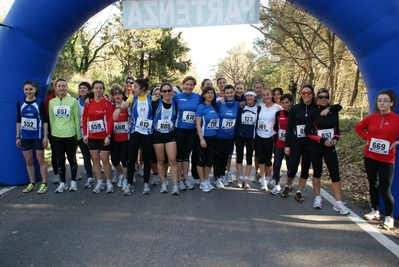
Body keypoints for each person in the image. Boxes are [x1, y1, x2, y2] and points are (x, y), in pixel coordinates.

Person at [282, 85, 342, 202]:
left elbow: (338, 107)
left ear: (313, 94)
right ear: (300, 94)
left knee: (305, 168)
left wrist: (329, 109)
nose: (306, 96)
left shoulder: (317, 107)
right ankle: (287, 185)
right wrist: (287, 145)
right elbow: (289, 127)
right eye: (304, 93)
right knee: (292, 167)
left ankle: (299, 191)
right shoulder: (296, 108)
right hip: (296, 142)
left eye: (309, 93)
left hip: (310, 143)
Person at [355, 89, 399, 229]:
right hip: (370, 156)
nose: (382, 103)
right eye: (379, 100)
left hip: (387, 159)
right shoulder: (371, 118)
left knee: (385, 189)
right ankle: (375, 210)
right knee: (373, 185)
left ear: (391, 103)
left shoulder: (396, 119)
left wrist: (397, 142)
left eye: (385, 100)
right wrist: (368, 138)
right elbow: (358, 128)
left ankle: (389, 217)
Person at [305, 88, 349, 215]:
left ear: (328, 98)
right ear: (317, 98)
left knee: (335, 173)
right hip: (316, 146)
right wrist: (321, 140)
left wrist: (336, 138)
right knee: (317, 172)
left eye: (326, 97)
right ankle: (318, 198)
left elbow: (337, 130)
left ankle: (338, 203)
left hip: (330, 147)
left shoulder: (333, 111)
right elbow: (308, 132)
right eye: (321, 97)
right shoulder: (313, 112)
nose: (323, 99)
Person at [114, 78, 153, 195]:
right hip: (135, 132)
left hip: (147, 133)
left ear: (143, 89)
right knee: (131, 159)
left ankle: (146, 183)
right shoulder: (133, 98)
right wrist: (119, 108)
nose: (133, 89)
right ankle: (129, 183)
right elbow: (126, 103)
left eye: (136, 87)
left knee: (146, 159)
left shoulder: (151, 99)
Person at [48, 78, 81, 193]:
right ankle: (63, 183)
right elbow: (52, 119)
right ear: (55, 88)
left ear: (67, 88)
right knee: (59, 160)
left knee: (72, 159)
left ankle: (73, 181)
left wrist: (78, 135)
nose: (61, 88)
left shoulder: (73, 101)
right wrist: (53, 133)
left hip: (70, 135)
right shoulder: (52, 102)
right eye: (59, 86)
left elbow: (77, 119)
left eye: (64, 86)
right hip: (57, 135)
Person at [16, 80, 49, 194]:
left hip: (38, 136)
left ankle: (44, 184)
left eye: (30, 89)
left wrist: (45, 136)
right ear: (23, 90)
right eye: (26, 89)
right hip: (25, 136)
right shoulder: (20, 103)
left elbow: (45, 120)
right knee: (28, 161)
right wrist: (17, 136)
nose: (28, 91)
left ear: (35, 89)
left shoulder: (40, 103)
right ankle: (32, 183)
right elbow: (18, 120)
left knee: (40, 160)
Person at [82, 80, 114, 194]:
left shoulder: (107, 103)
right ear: (93, 89)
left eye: (100, 88)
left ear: (103, 90)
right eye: (96, 88)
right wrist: (85, 134)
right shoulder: (88, 103)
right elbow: (85, 119)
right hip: (92, 137)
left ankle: (109, 182)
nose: (98, 90)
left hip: (104, 137)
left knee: (105, 160)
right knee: (95, 160)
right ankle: (99, 182)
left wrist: (108, 135)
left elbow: (110, 120)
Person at [173, 76, 201, 191]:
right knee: (179, 156)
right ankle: (179, 180)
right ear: (183, 85)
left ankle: (185, 178)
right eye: (187, 84)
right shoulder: (177, 97)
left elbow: (210, 101)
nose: (189, 87)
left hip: (192, 130)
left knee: (186, 156)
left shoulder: (198, 97)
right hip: (180, 129)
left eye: (191, 85)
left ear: (194, 86)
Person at [152, 82, 180, 195]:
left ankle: (175, 185)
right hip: (158, 135)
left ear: (172, 92)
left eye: (169, 90)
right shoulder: (155, 103)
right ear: (161, 93)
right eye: (164, 91)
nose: (167, 93)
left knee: (172, 160)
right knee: (160, 160)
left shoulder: (175, 104)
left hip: (170, 134)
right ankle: (163, 183)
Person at [256, 88, 283, 191]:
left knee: (268, 160)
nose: (266, 97)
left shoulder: (278, 108)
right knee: (261, 159)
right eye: (264, 95)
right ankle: (263, 180)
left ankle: (268, 176)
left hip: (270, 137)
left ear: (271, 95)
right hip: (259, 135)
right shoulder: (260, 107)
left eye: (268, 95)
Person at [213, 84, 239, 188]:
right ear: (224, 93)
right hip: (219, 135)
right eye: (227, 93)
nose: (229, 95)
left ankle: (222, 175)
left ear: (234, 93)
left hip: (230, 136)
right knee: (218, 156)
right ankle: (217, 177)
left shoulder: (237, 105)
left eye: (231, 92)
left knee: (225, 157)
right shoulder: (219, 103)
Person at [195, 86, 219, 192]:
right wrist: (201, 139)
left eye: (212, 93)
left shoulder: (215, 106)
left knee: (210, 161)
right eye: (208, 93)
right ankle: (202, 182)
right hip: (203, 138)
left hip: (213, 138)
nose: (210, 95)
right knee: (201, 161)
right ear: (204, 95)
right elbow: (198, 124)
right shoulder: (201, 107)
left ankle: (205, 180)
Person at [235, 90, 258, 189]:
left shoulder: (258, 108)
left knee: (249, 157)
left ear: (255, 98)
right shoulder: (241, 106)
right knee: (239, 156)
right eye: (247, 96)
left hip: (251, 136)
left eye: (251, 96)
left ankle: (246, 180)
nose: (249, 98)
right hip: (240, 135)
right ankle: (240, 179)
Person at [271, 94, 293, 195]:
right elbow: (275, 127)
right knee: (277, 164)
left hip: (291, 144)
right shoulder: (278, 113)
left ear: (291, 102)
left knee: (290, 165)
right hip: (279, 143)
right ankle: (277, 184)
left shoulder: (295, 113)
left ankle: (289, 184)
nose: (285, 105)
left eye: (287, 102)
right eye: (283, 103)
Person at [109, 84, 129, 189]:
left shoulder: (126, 105)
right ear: (112, 96)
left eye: (119, 93)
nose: (117, 95)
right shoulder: (110, 107)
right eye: (115, 93)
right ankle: (121, 174)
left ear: (123, 95)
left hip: (126, 139)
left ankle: (126, 179)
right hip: (114, 139)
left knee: (125, 160)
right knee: (115, 160)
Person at [76, 82, 95, 188]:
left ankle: (99, 177)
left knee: (95, 156)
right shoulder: (76, 102)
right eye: (80, 88)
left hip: (93, 132)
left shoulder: (92, 101)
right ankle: (90, 177)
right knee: (85, 155)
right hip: (81, 132)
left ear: (89, 90)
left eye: (84, 88)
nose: (82, 90)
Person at [44, 81, 60, 184]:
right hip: (53, 131)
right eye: (58, 86)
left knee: (68, 152)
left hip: (66, 131)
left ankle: (74, 173)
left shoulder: (68, 98)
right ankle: (56, 174)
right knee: (55, 152)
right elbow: (47, 116)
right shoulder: (49, 100)